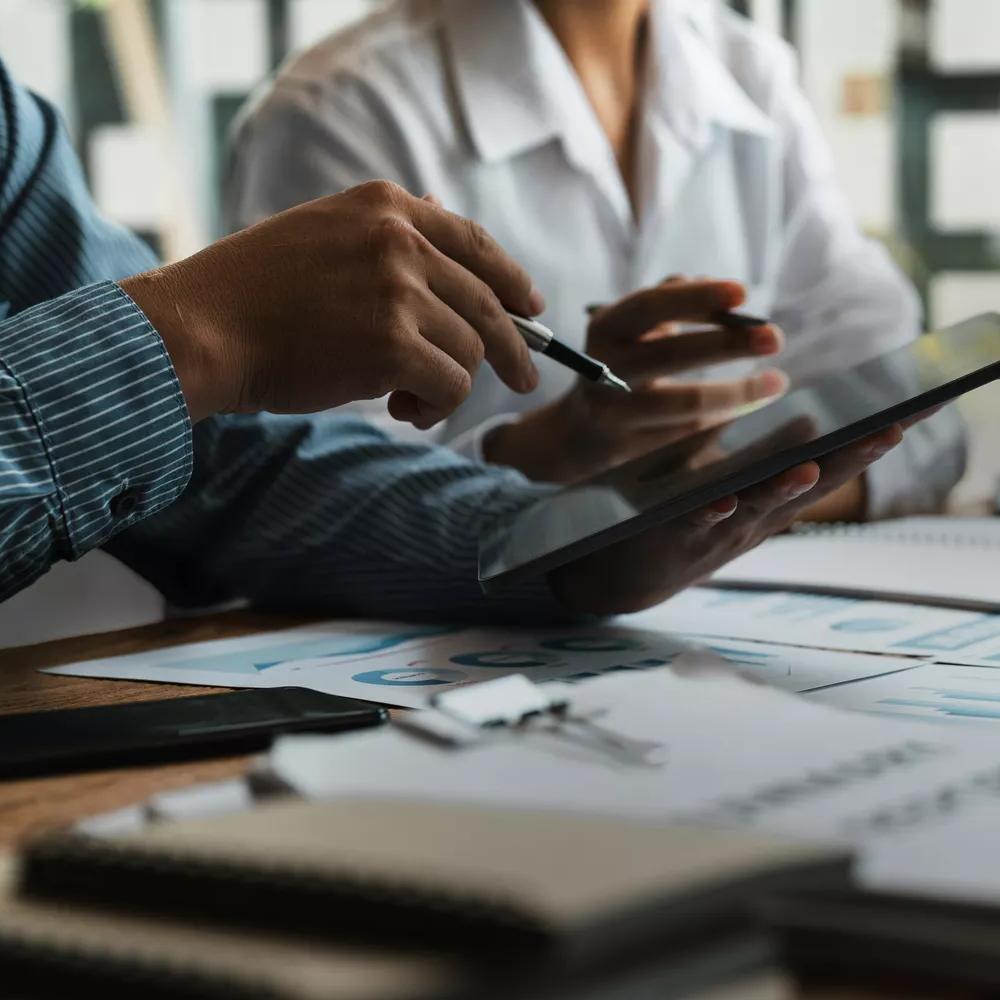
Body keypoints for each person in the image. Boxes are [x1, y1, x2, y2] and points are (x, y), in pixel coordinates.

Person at [0, 56, 903, 621]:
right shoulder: (341, 106)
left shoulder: (9, 127)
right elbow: (224, 432)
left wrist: (550, 543)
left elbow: (229, 468)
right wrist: (201, 335)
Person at [228, 0, 965, 521]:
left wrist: (733, 491)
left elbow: (924, 412)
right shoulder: (341, 110)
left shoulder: (751, 73)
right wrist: (551, 458)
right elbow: (292, 491)